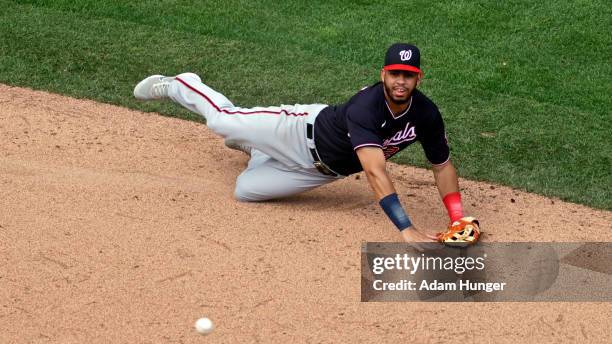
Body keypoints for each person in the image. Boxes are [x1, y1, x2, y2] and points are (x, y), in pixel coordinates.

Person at [133, 43, 478, 245]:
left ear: (418, 77)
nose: (400, 81)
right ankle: (182, 84)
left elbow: (442, 164)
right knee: (223, 120)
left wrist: (457, 218)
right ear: (383, 75)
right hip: (296, 130)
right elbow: (374, 171)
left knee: (245, 189)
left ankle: (257, 150)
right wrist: (407, 229)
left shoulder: (427, 114)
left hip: (320, 172)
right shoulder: (366, 108)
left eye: (408, 75)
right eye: (394, 74)